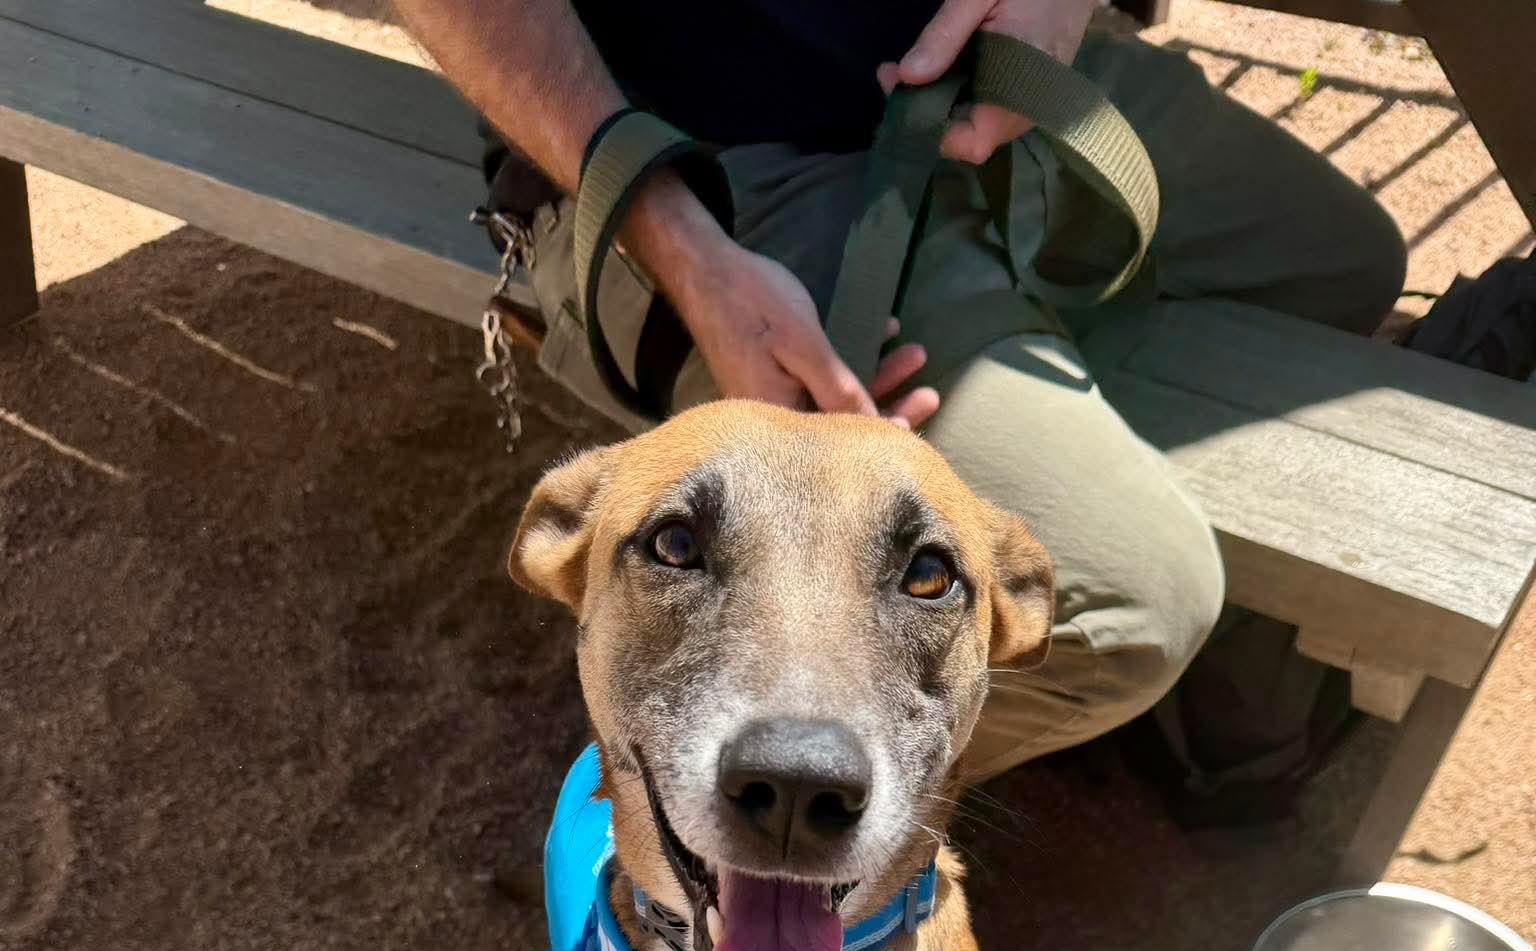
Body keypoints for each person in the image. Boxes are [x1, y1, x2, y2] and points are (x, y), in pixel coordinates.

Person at [396, 0, 1406, 785]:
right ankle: (742, 833)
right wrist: (685, 253)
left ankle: (1098, 616)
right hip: (699, 171)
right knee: (1134, 607)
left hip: (979, 76)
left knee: (1346, 261)